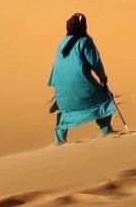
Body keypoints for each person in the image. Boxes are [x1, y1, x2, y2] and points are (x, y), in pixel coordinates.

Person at [47, 13, 117, 144]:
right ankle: (105, 129)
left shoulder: (61, 43)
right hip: (82, 90)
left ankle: (59, 141)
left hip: (61, 94)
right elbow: (95, 62)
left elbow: (56, 70)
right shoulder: (85, 41)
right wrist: (103, 78)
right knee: (106, 99)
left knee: (64, 111)